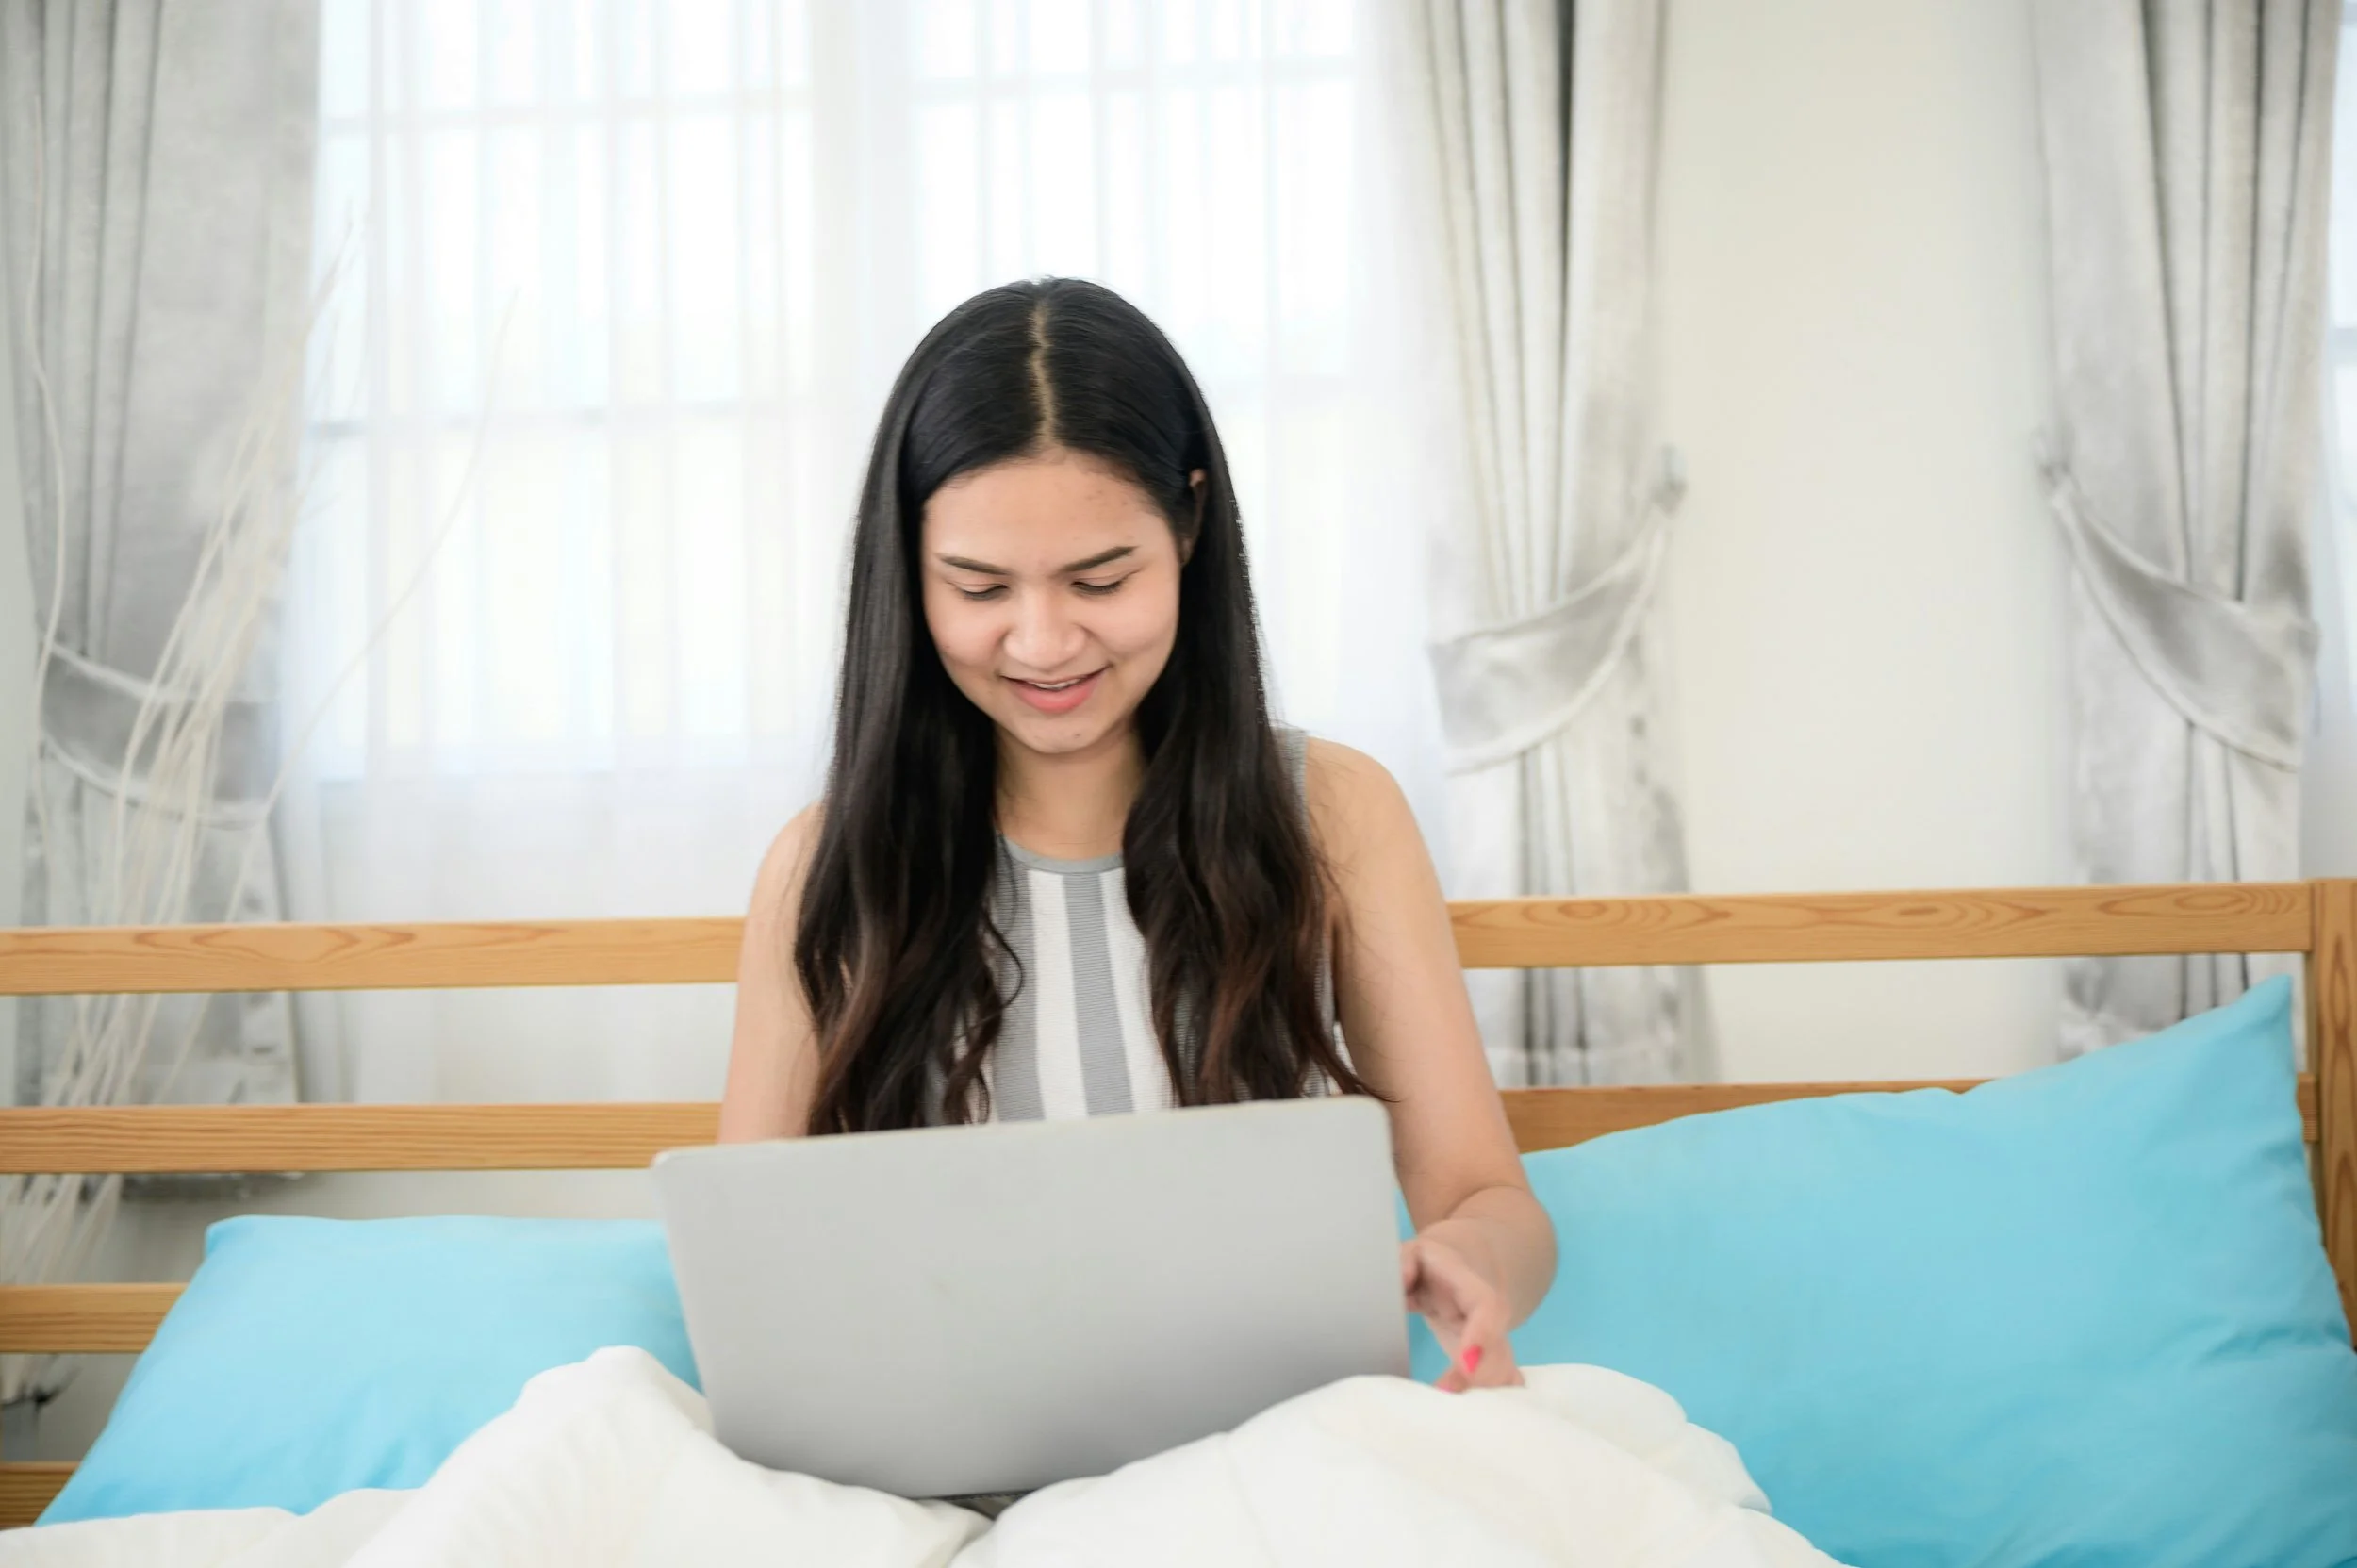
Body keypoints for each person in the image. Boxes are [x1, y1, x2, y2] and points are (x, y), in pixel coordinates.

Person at [719, 276, 1554, 1394]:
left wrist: (1469, 1257)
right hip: (946, 1466)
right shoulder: (823, 867)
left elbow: (1484, 1199)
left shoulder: (1332, 813)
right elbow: (748, 1265)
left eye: (1100, 578)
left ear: (1191, 525)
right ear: (906, 570)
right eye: (977, 586)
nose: (1043, 640)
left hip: (1270, 1447)